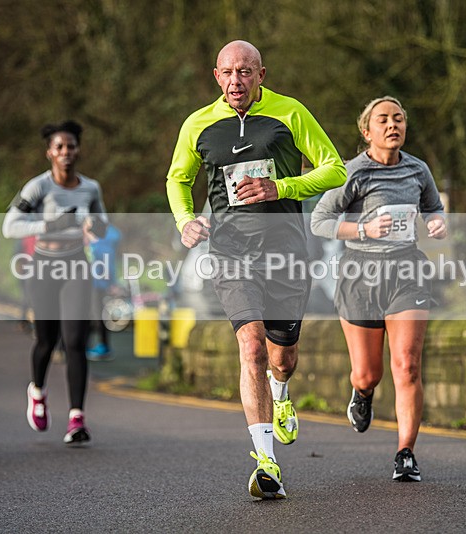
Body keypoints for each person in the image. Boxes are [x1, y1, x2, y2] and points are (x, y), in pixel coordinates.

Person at [166, 40, 346, 499]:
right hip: (230, 253)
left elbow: (335, 169)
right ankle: (267, 462)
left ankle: (281, 395)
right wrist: (186, 221)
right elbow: (178, 178)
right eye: (227, 73)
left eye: (245, 72)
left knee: (281, 356)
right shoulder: (198, 124)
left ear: (261, 74)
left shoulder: (291, 113)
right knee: (251, 347)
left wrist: (279, 186)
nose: (235, 82)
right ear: (216, 76)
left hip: (286, 252)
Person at [310, 96, 447, 482]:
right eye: (383, 120)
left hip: (407, 269)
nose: (393, 125)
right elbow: (319, 221)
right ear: (366, 130)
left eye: (399, 119)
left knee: (407, 364)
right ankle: (363, 393)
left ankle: (405, 453)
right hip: (360, 274)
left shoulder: (418, 170)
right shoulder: (352, 172)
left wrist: (437, 223)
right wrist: (363, 230)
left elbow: (433, 208)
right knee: (367, 373)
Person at [3, 120, 109, 445]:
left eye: (71, 146)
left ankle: (77, 417)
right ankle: (37, 391)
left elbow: (103, 225)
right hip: (44, 266)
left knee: (75, 340)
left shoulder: (91, 188)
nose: (66, 152)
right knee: (46, 340)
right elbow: (10, 226)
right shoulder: (38, 187)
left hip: (76, 263)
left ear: (79, 150)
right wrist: (49, 225)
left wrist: (94, 225)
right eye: (59, 147)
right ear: (49, 152)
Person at [86, 222, 121, 360]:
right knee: (93, 315)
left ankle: (104, 347)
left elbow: (107, 268)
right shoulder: (102, 244)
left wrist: (111, 283)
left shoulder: (100, 245)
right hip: (94, 284)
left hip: (96, 285)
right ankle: (94, 345)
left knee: (95, 315)